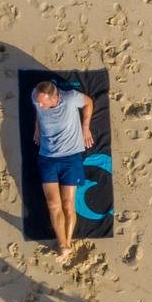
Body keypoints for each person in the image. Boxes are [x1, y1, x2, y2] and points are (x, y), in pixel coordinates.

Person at [32, 79, 95, 263]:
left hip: (71, 158)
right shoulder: (35, 97)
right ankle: (63, 244)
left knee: (68, 204)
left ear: (53, 98)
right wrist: (37, 126)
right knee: (53, 204)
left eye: (42, 102)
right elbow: (38, 111)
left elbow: (89, 102)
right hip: (47, 157)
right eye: (37, 101)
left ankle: (66, 243)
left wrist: (85, 127)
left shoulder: (70, 98)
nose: (39, 105)